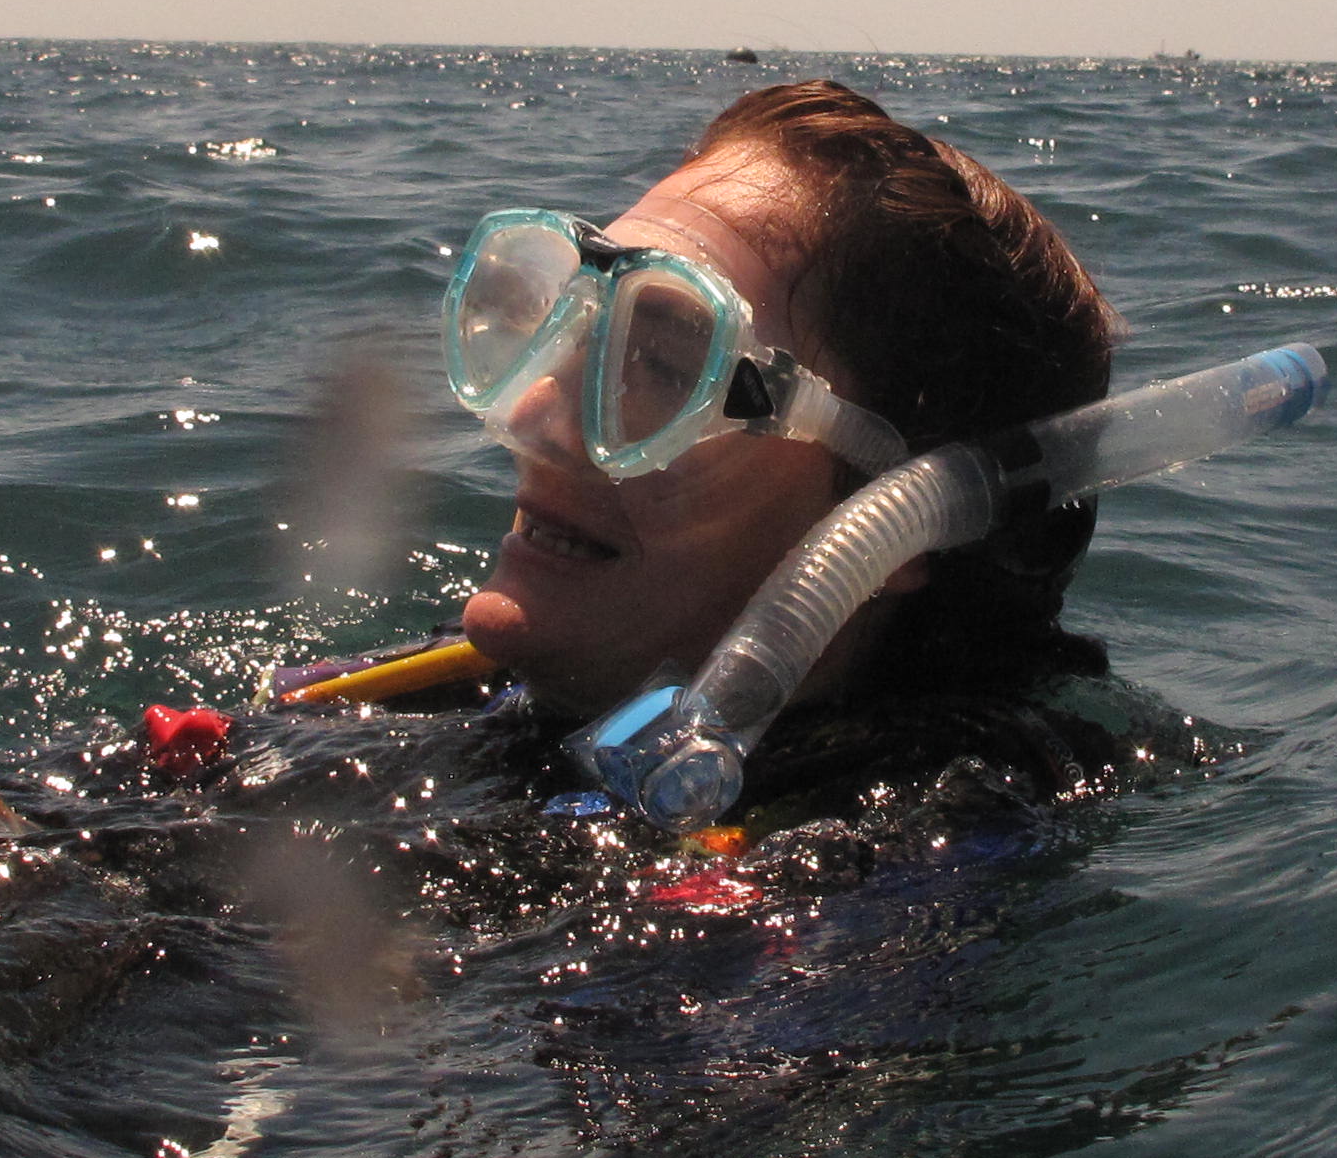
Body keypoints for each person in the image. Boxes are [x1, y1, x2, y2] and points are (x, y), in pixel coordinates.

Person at [444, 78, 1119, 740]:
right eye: (580, 335)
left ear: (901, 518)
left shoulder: (901, 837)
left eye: (667, 367)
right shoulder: (409, 700)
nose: (531, 419)